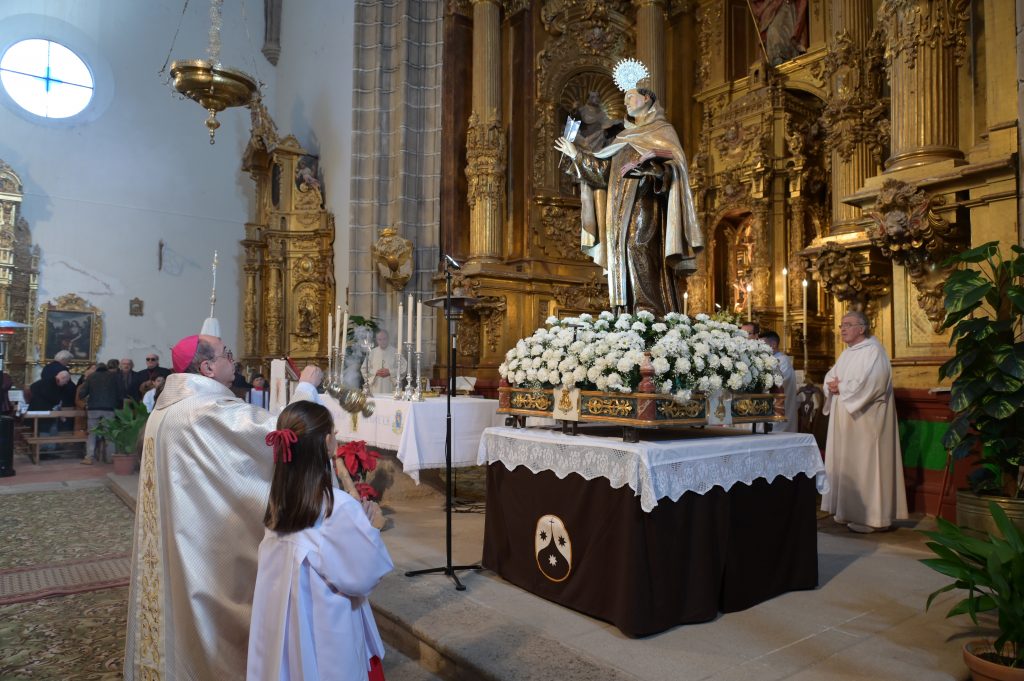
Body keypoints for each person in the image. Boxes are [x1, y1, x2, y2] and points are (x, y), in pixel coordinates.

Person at [124, 334, 325, 681]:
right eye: (227, 354)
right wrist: (306, 390)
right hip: (207, 545)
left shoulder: (169, 407)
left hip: (188, 530)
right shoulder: (205, 409)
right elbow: (282, 437)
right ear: (207, 367)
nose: (234, 361)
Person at [247, 400, 392, 681]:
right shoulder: (337, 506)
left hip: (283, 626)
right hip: (325, 627)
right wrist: (369, 526)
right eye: (335, 433)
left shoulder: (278, 501)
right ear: (328, 442)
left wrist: (355, 522)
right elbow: (363, 576)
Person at [554, 58, 702, 317]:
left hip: (646, 206)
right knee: (621, 254)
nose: (625, 102)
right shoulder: (622, 138)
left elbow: (674, 168)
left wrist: (651, 169)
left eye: (630, 97)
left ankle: (650, 313)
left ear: (647, 99)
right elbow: (601, 174)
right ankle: (626, 314)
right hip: (617, 212)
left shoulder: (661, 129)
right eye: (624, 99)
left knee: (639, 249)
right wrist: (575, 153)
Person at [821, 311, 908, 533]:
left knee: (868, 466)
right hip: (847, 419)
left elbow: (874, 384)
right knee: (849, 464)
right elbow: (831, 376)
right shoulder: (848, 353)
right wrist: (832, 385)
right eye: (841, 325)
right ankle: (848, 511)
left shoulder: (874, 352)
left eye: (848, 325)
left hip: (867, 421)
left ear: (862, 328)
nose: (842, 329)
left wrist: (842, 387)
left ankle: (873, 518)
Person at [77, 360, 125, 464]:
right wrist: (118, 405)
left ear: (97, 368)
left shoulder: (91, 377)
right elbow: (121, 393)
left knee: (92, 433)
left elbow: (81, 394)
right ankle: (110, 458)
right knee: (109, 434)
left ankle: (89, 457)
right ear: (106, 368)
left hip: (93, 409)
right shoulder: (114, 377)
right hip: (109, 409)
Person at [761, 330, 796, 432]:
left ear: (774, 344)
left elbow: (778, 382)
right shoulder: (767, 360)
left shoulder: (783, 361)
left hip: (778, 410)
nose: (760, 348)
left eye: (763, 344)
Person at [361, 329, 398, 395]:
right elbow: (364, 369)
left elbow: (403, 369)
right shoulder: (372, 352)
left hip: (390, 388)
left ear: (388, 339)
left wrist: (390, 372)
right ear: (376, 340)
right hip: (375, 388)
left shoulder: (396, 352)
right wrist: (376, 372)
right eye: (379, 339)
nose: (382, 341)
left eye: (384, 339)